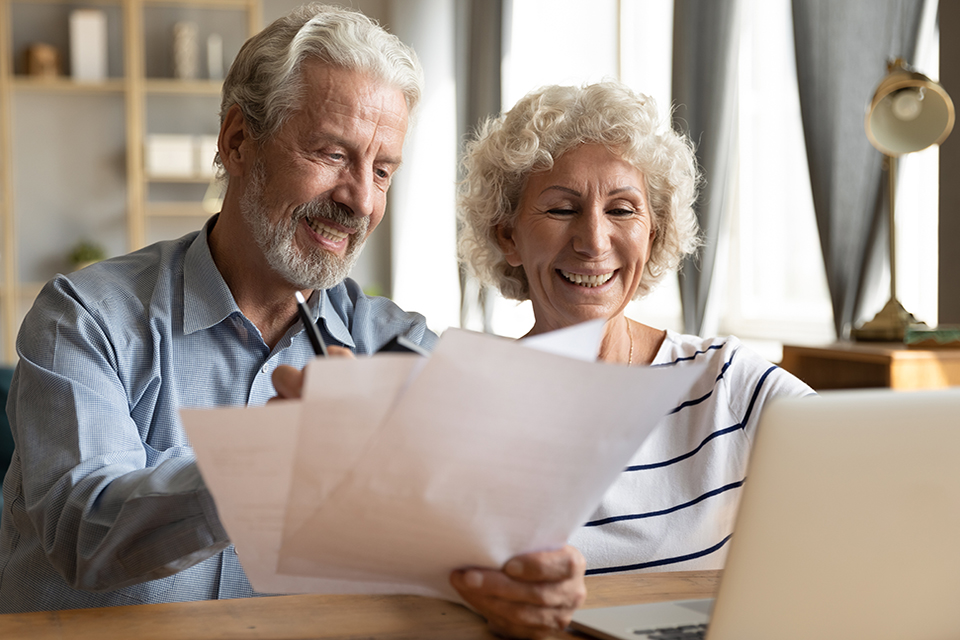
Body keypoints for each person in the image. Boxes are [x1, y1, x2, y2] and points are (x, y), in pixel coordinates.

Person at [455, 82, 814, 587]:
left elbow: (869, 474)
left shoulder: (726, 383)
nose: (593, 242)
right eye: (561, 209)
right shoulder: (459, 406)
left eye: (622, 210)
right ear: (508, 235)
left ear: (655, 231)